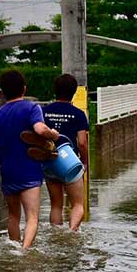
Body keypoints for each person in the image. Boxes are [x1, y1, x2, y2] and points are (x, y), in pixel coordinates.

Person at [0, 69, 59, 248]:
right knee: (32, 217)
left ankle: (15, 247)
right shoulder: (32, 108)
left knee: (13, 216)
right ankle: (24, 251)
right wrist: (53, 134)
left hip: (8, 171)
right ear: (24, 88)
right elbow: (40, 130)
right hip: (28, 170)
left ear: (3, 91)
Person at [41, 73, 89, 231]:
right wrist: (85, 161)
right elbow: (82, 143)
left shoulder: (44, 111)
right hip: (70, 162)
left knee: (56, 205)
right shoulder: (79, 114)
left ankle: (56, 236)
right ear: (74, 91)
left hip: (50, 160)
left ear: (55, 90)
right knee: (78, 205)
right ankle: (71, 234)